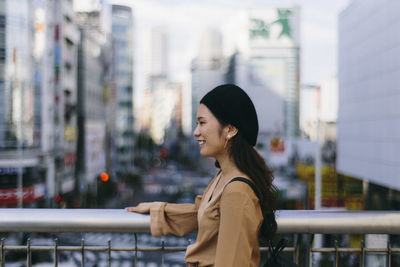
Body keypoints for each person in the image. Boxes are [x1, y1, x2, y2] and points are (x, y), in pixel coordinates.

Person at [126, 84, 277, 267]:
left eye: (202, 122)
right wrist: (156, 210)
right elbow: (203, 213)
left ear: (230, 129)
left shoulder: (237, 191)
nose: (196, 132)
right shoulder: (224, 176)